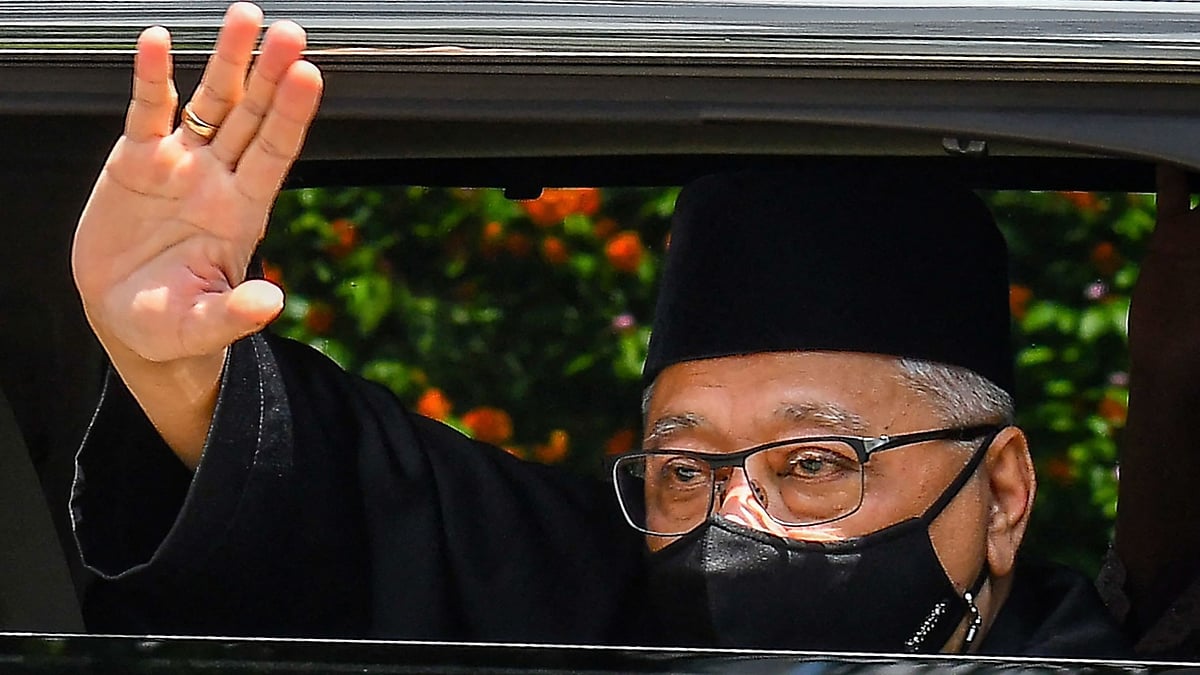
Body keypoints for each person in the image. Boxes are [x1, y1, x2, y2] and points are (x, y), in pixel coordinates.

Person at [69, 1, 1144, 656]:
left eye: (817, 464)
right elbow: (371, 502)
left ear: (1000, 495)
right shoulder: (615, 591)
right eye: (683, 471)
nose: (736, 528)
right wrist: (173, 360)